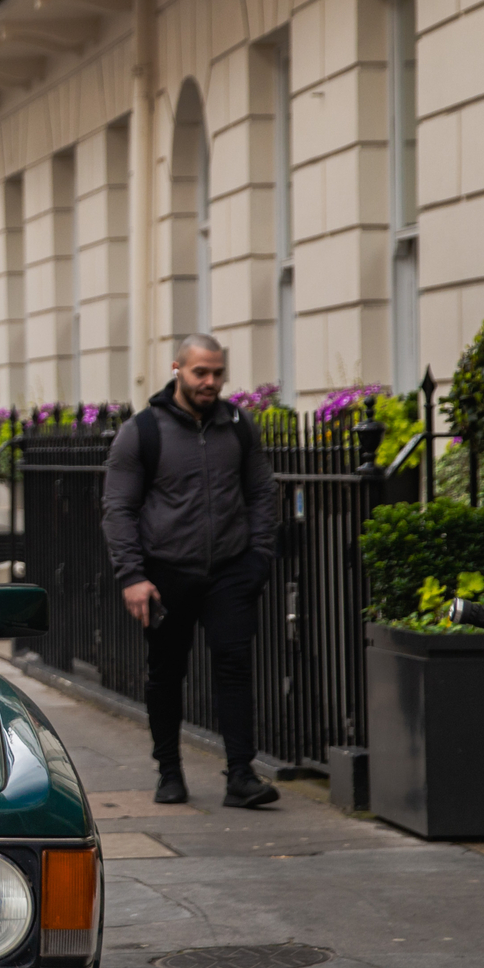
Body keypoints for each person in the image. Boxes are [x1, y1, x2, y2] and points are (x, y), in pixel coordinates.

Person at [102, 333, 281, 809]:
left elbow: (262, 492)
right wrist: (132, 576)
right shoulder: (143, 431)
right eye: (201, 372)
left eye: (218, 373)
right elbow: (118, 508)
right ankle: (170, 773)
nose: (211, 382)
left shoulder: (240, 427)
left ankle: (241, 776)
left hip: (229, 569)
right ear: (177, 368)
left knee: (235, 668)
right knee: (165, 674)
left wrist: (258, 555)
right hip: (165, 572)